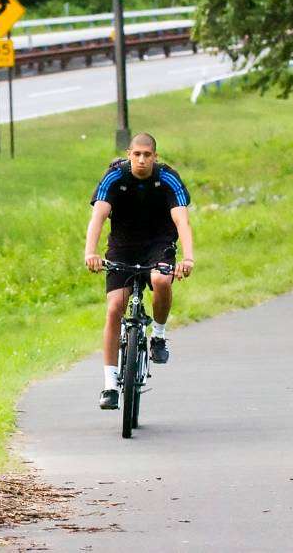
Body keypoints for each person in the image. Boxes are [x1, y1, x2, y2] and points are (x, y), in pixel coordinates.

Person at [84, 132, 195, 410]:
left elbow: (182, 221)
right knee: (114, 308)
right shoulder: (115, 177)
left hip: (159, 244)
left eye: (147, 155)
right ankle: (110, 385)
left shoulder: (168, 178)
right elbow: (98, 216)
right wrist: (91, 253)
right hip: (123, 246)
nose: (142, 160)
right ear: (129, 154)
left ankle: (157, 334)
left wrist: (189, 258)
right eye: (137, 154)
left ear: (155, 157)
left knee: (161, 280)